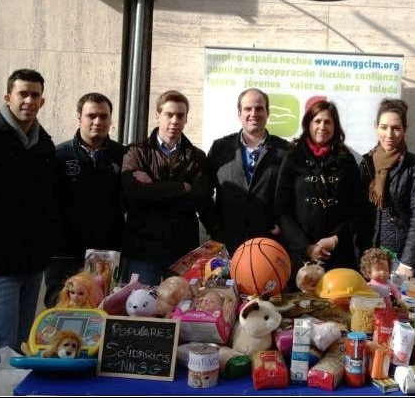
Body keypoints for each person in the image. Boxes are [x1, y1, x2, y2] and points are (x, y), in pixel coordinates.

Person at [0, 69, 60, 354]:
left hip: (32, 264)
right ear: (8, 97)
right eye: (23, 94)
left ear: (42, 102)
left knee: (23, 343)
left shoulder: (44, 144)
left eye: (35, 95)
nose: (29, 101)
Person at [121, 90, 217, 286]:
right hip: (143, 251)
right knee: (139, 309)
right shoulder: (135, 152)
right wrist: (182, 186)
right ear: (157, 115)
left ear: (186, 119)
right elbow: (134, 194)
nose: (174, 121)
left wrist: (153, 187)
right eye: (169, 114)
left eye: (180, 115)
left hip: (182, 252)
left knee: (180, 311)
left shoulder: (197, 156)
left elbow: (200, 197)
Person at [44, 92, 127, 307]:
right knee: (61, 311)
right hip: (65, 255)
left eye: (103, 116)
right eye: (91, 116)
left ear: (110, 119)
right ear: (79, 117)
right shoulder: (59, 156)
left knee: (103, 313)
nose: (97, 122)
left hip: (107, 255)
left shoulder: (124, 156)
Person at [275, 100, 361, 289]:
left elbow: (357, 208)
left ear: (335, 126)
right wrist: (307, 246)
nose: (322, 127)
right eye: (317, 121)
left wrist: (336, 238)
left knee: (337, 312)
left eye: (328, 122)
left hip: (338, 255)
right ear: (308, 124)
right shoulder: (293, 158)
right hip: (299, 255)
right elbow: (282, 209)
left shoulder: (346, 160)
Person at [358, 98, 415, 281]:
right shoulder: (367, 163)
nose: (389, 134)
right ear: (375, 127)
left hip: (399, 255)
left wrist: (408, 261)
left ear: (405, 130)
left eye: (396, 128)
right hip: (370, 253)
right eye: (384, 127)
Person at [207, 88, 290, 254]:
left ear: (268, 112)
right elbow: (204, 190)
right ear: (239, 113)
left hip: (269, 244)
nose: (254, 113)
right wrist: (213, 225)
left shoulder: (285, 151)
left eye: (259, 108)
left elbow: (293, 195)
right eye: (248, 109)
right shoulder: (220, 148)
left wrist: (284, 226)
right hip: (226, 243)